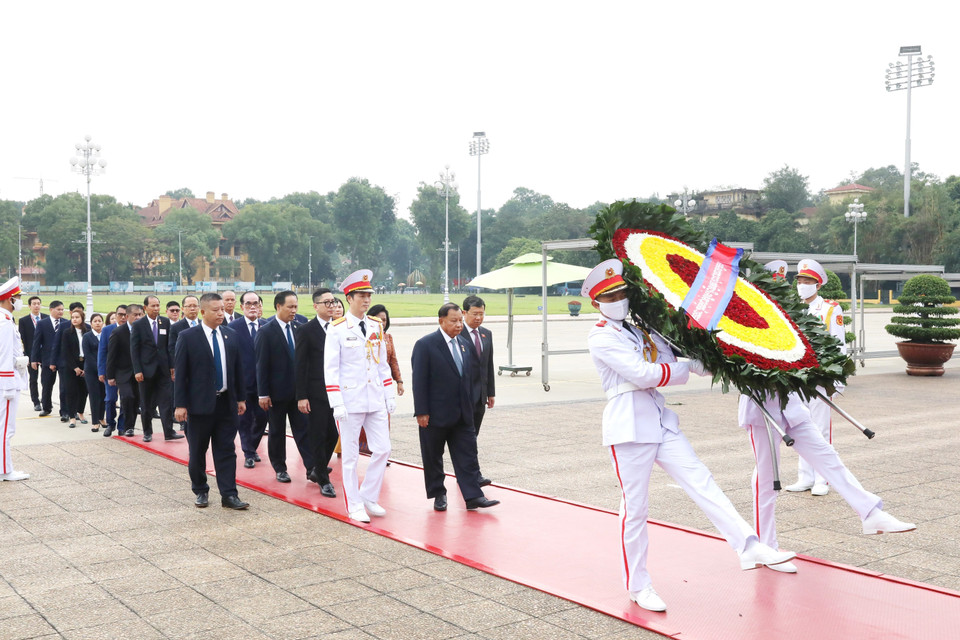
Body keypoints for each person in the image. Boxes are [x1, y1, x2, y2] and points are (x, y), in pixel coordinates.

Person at [583, 259, 794, 612]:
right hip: (629, 427)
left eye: (622, 292)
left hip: (660, 420)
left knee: (702, 481)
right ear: (596, 303)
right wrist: (683, 368)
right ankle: (638, 585)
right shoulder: (601, 336)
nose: (619, 298)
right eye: (610, 295)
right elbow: (642, 373)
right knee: (635, 510)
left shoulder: (641, 330)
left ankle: (747, 545)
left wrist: (719, 362)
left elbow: (675, 359)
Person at [738, 260, 914, 574]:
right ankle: (766, 547)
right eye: (773, 287)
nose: (782, 292)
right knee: (767, 477)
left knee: (827, 455)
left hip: (791, 401)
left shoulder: (791, 314)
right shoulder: (745, 317)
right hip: (763, 407)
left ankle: (869, 511)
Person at [324, 270, 396, 523]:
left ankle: (368, 495)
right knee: (350, 456)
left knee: (383, 449)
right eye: (362, 296)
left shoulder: (376, 325)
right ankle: (354, 504)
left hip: (374, 398)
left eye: (369, 295)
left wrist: (389, 395)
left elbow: (381, 365)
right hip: (350, 401)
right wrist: (336, 403)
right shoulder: (338, 329)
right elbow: (330, 370)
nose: (366, 300)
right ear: (349, 297)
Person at [412, 303, 498, 512]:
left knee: (467, 454)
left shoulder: (464, 344)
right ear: (441, 321)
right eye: (454, 321)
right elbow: (419, 380)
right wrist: (422, 411)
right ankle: (438, 493)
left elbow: (469, 378)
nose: (459, 324)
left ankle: (473, 496)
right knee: (433, 456)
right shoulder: (426, 344)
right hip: (435, 414)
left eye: (460, 320)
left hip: (463, 413)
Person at [174, 293, 249, 510]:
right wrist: (180, 404)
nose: (220, 313)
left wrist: (241, 398)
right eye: (215, 310)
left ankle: (229, 494)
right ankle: (200, 490)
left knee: (226, 450)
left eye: (222, 310)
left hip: (226, 403)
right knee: (197, 450)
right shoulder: (188, 337)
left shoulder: (230, 335)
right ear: (203, 312)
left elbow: (237, 370)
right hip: (199, 405)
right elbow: (181, 373)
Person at [785, 258, 848, 496]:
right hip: (798, 377)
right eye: (800, 280)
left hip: (820, 378)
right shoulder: (793, 307)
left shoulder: (830, 309)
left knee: (820, 429)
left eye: (807, 281)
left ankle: (823, 479)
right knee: (800, 427)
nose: (802, 284)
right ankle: (805, 477)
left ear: (818, 284)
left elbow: (839, 344)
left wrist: (837, 378)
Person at [256, 290, 312, 483]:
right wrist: (263, 393)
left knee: (304, 430)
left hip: (299, 394)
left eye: (296, 306)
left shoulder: (300, 328)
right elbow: (261, 365)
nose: (294, 311)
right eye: (290, 307)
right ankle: (280, 467)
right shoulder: (266, 331)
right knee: (277, 432)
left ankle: (312, 467)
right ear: (278, 306)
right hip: (276, 394)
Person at [294, 288, 339, 498]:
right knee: (319, 434)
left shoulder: (339, 327)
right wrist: (301, 396)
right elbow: (300, 365)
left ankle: (317, 468)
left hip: (337, 392)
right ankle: (323, 478)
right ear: (316, 306)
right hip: (316, 392)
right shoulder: (306, 330)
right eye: (327, 303)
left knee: (334, 433)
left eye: (333, 302)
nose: (331, 306)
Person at [131, 296, 182, 443]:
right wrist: (137, 370)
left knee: (166, 402)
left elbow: (168, 347)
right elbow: (134, 349)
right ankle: (147, 432)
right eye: (153, 306)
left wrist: (172, 366)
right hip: (145, 371)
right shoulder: (139, 324)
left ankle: (169, 431)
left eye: (158, 305)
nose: (156, 308)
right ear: (145, 307)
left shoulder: (164, 322)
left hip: (163, 370)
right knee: (147, 403)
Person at [228, 291, 268, 468]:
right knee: (244, 420)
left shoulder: (267, 326)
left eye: (256, 303)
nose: (252, 307)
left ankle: (252, 446)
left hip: (264, 383)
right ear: (241, 306)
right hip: (243, 382)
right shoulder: (233, 328)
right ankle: (248, 452)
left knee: (262, 418)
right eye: (248, 304)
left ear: (260, 306)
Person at [460, 295, 495, 486]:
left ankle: (468, 473)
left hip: (480, 397)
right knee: (467, 438)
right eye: (475, 314)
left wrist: (490, 393)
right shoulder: (457, 333)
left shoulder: (486, 334)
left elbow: (488, 365)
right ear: (464, 312)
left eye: (482, 314)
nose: (478, 318)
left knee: (473, 437)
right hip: (463, 396)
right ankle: (472, 475)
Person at [0, 277, 30, 481]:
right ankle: (5, 470)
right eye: (18, 297)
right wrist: (8, 385)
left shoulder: (5, 320)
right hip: (6, 384)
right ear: (10, 299)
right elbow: (4, 356)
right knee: (5, 429)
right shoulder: (4, 322)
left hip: (6, 381)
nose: (20, 301)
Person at [106, 304, 144, 437]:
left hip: (140, 373)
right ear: (127, 316)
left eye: (140, 314)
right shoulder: (118, 332)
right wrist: (110, 376)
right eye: (135, 315)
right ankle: (127, 426)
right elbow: (111, 356)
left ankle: (130, 426)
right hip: (123, 373)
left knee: (136, 401)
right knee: (127, 397)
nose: (138, 317)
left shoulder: (145, 331)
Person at [30, 300, 65, 419]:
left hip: (63, 359)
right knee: (47, 384)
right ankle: (46, 407)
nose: (61, 312)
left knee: (64, 386)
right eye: (58, 309)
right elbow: (36, 342)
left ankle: (65, 411)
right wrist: (34, 359)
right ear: (51, 310)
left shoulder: (66, 323)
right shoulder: (42, 324)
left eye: (62, 309)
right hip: (47, 359)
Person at [58, 309, 89, 429]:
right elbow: (65, 352)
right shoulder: (67, 333)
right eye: (73, 317)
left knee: (84, 391)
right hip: (71, 366)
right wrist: (75, 367)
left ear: (82, 318)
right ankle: (72, 416)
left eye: (77, 317)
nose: (74, 319)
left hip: (85, 364)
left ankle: (80, 413)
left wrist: (86, 367)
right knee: (71, 391)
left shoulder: (88, 331)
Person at [98, 306, 126, 437]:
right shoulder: (107, 330)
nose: (123, 317)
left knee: (126, 399)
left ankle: (122, 426)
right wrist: (101, 371)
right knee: (110, 399)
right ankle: (110, 423)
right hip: (111, 370)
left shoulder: (132, 329)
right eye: (120, 314)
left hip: (126, 372)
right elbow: (102, 351)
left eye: (125, 314)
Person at [18, 295, 46, 411]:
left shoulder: (46, 318)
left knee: (46, 379)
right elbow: (22, 339)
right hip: (31, 354)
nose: (36, 306)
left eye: (38, 303)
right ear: (29, 306)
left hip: (45, 354)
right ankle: (36, 401)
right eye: (34, 304)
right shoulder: (24, 321)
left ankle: (46, 400)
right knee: (33, 379)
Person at [82, 313, 107, 432]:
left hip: (105, 372)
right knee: (94, 396)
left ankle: (102, 418)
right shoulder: (87, 336)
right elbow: (88, 355)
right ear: (91, 323)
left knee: (103, 395)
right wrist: (99, 370)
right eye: (95, 321)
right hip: (92, 371)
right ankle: (95, 421)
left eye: (99, 321)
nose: (97, 323)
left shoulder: (106, 335)